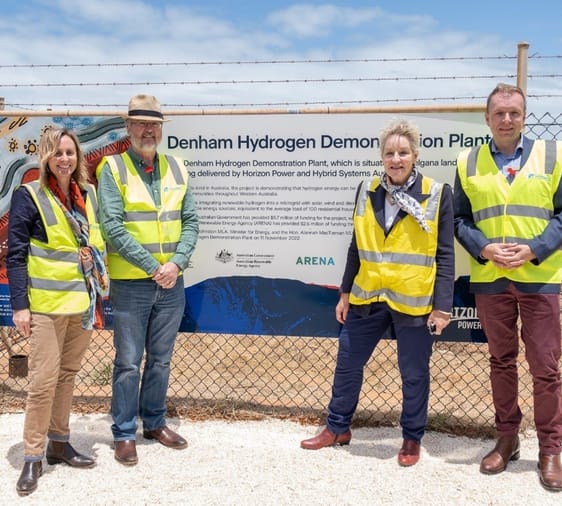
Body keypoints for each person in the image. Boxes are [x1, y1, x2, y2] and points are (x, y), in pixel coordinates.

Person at [300, 119, 455, 466]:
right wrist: (345, 291)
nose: (395, 159)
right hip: (368, 296)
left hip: (413, 300)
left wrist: (442, 306)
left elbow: (445, 253)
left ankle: (411, 438)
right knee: (347, 363)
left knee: (413, 373)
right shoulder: (367, 189)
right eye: (389, 153)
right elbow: (356, 245)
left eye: (403, 153)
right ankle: (337, 427)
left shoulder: (436, 193)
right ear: (382, 157)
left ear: (415, 155)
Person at [453, 83, 562, 491]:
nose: (506, 119)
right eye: (499, 113)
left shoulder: (553, 155)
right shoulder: (468, 161)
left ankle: (551, 449)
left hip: (540, 278)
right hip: (490, 279)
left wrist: (535, 249)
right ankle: (507, 439)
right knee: (501, 361)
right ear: (486, 118)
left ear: (524, 117)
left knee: (546, 368)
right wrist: (484, 248)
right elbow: (459, 220)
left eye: (514, 112)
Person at [96, 94, 199, 466]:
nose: (148, 130)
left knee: (161, 360)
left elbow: (191, 222)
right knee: (127, 362)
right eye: (140, 123)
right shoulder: (113, 168)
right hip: (132, 285)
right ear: (128, 127)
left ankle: (154, 423)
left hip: (172, 283)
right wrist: (153, 267)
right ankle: (124, 432)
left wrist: (176, 264)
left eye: (153, 124)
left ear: (161, 129)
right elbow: (112, 226)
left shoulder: (177, 167)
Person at [7, 128, 107, 496]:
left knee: (67, 376)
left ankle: (60, 443)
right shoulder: (29, 196)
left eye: (70, 152)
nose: (65, 159)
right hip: (46, 307)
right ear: (47, 157)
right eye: (58, 153)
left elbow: (95, 242)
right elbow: (16, 255)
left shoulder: (88, 195)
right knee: (42, 382)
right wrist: (20, 306)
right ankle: (33, 455)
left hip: (81, 304)